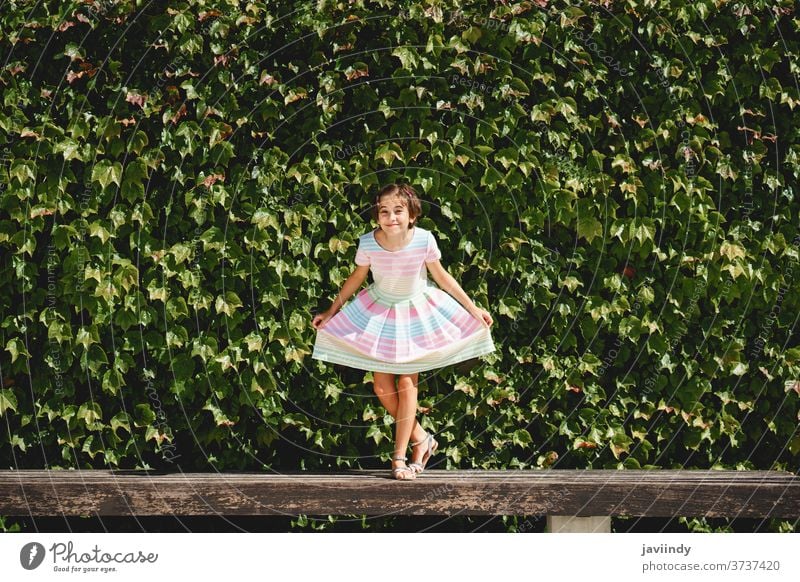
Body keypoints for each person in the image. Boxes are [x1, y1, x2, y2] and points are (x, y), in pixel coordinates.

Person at [311, 183, 495, 480]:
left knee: (407, 382)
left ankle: (399, 458)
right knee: (381, 387)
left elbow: (442, 277)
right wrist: (331, 311)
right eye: (384, 211)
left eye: (398, 210)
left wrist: (473, 309)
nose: (391, 217)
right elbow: (357, 277)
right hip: (380, 312)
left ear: (412, 216)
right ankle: (422, 439)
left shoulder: (423, 240)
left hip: (417, 312)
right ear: (377, 216)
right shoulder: (369, 243)